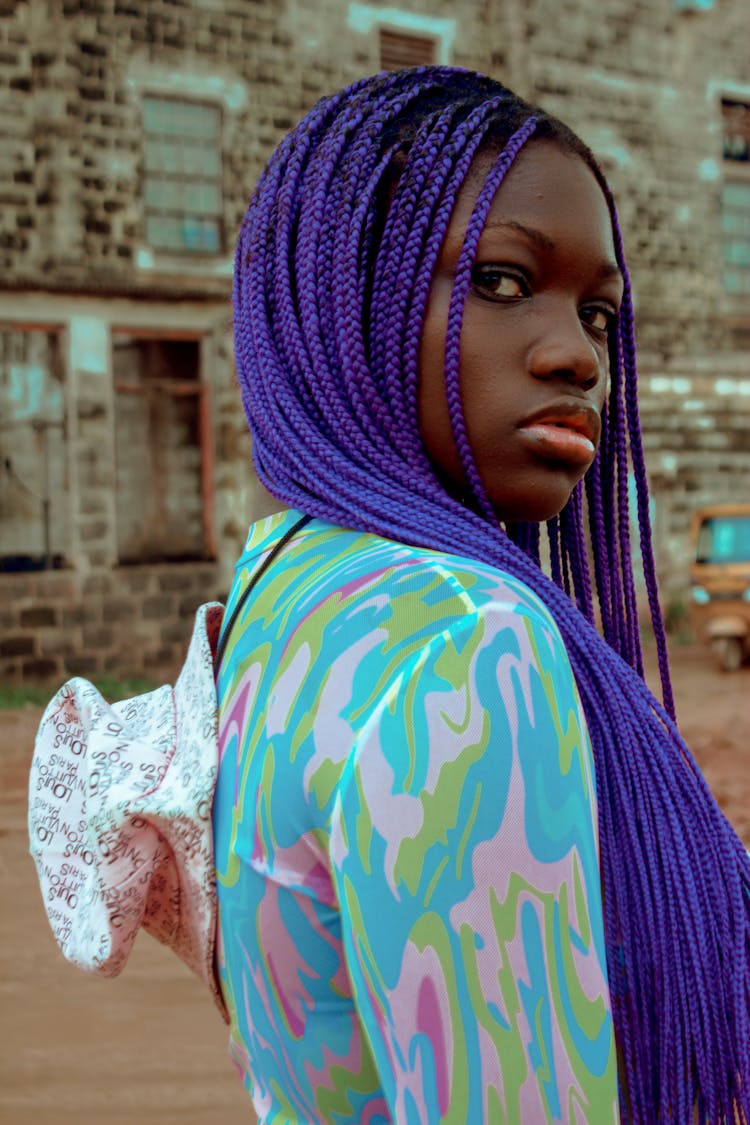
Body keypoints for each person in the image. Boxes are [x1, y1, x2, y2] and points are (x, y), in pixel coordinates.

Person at [29, 66, 750, 1123]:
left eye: (599, 312)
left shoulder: (285, 589)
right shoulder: (457, 640)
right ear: (345, 296)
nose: (577, 355)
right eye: (502, 282)